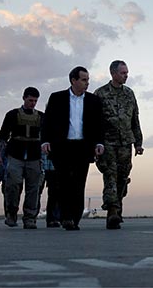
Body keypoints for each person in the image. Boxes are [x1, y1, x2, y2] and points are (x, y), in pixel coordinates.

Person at [41, 66, 105, 231]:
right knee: (63, 183)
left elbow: (99, 124)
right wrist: (45, 141)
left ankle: (75, 218)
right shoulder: (57, 98)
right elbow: (47, 121)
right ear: (73, 80)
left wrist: (99, 143)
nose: (87, 83)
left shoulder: (93, 100)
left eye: (88, 80)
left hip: (83, 147)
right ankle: (66, 217)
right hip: (62, 146)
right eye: (84, 80)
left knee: (79, 183)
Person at [94, 60, 144, 229]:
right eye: (123, 73)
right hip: (107, 142)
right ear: (113, 73)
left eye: (127, 72)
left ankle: (118, 206)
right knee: (110, 175)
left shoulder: (129, 93)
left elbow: (134, 119)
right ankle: (112, 211)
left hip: (125, 143)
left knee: (122, 177)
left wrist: (138, 142)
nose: (126, 75)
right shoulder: (100, 94)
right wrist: (96, 143)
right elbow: (93, 121)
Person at [0, 87, 44, 229]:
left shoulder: (41, 117)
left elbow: (47, 137)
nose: (33, 103)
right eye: (30, 100)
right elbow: (3, 136)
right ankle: (11, 214)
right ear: (24, 98)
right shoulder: (12, 114)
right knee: (13, 185)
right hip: (15, 155)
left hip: (34, 157)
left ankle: (29, 218)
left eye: (35, 101)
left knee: (33, 188)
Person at [39, 150, 60, 227]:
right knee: (37, 192)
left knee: (54, 193)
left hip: (53, 165)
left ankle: (52, 218)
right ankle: (32, 217)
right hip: (40, 163)